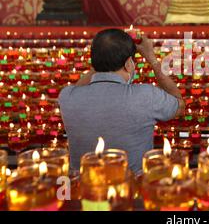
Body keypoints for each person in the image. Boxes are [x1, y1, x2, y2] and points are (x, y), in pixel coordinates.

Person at [59, 29, 185, 173]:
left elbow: (78, 88)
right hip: (131, 190)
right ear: (128, 63)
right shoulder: (146, 95)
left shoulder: (67, 97)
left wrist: (102, 60)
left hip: (83, 189)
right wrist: (152, 59)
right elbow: (179, 104)